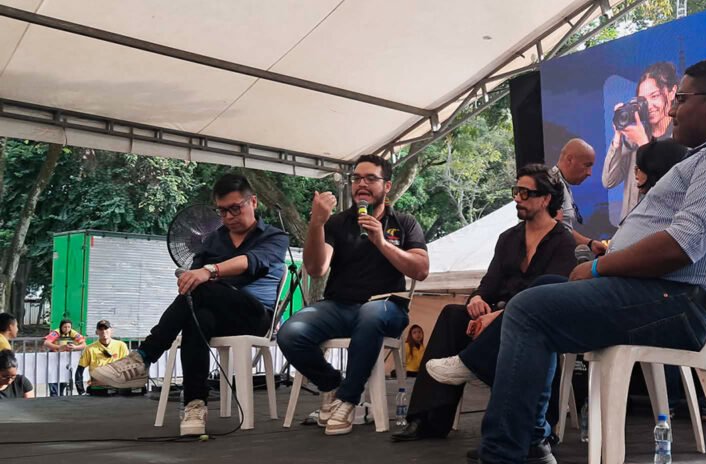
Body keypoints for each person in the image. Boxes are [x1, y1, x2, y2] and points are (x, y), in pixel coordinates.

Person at [416, 58, 706, 464]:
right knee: (545, 288)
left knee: (530, 310)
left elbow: (680, 247)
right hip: (664, 296)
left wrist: (601, 267)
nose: (671, 112)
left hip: (683, 305)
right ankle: (527, 443)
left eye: (681, 100)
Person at [390, 164, 576, 448]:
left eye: (525, 193)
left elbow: (551, 292)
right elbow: (489, 283)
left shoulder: (563, 241)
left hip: (533, 321)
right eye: (516, 191)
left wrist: (502, 314)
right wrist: (477, 300)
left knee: (526, 332)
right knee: (453, 315)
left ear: (546, 199)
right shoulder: (508, 238)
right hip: (495, 312)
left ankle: (530, 428)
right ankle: (426, 419)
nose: (517, 198)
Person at [90, 174, 288, 436]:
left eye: (235, 208)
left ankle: (143, 357)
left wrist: (209, 271)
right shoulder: (214, 240)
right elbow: (193, 284)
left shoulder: (275, 237)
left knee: (202, 286)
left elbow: (250, 261)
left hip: (255, 316)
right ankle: (195, 404)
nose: (228, 216)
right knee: (198, 315)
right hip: (216, 315)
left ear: (253, 202)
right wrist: (192, 278)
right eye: (222, 211)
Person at [277, 154, 429, 437]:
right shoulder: (337, 223)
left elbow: (420, 270)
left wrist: (382, 243)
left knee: (370, 313)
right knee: (290, 333)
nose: (361, 184)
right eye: (357, 178)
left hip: (387, 308)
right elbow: (316, 268)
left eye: (370, 178)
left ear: (387, 185)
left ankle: (348, 400)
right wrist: (316, 224)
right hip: (340, 306)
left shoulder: (405, 222)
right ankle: (333, 385)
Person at [602, 61, 679, 222]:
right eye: (644, 100)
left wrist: (643, 142)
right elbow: (609, 181)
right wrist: (618, 137)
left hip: (660, 230)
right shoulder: (635, 136)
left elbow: (670, 189)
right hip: (630, 227)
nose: (649, 106)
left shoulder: (681, 138)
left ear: (672, 92)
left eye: (655, 96)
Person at [550, 139, 606, 256]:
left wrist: (590, 244)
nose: (589, 173)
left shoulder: (559, 183)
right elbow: (550, 231)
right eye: (587, 165)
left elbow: (563, 229)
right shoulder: (550, 186)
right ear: (570, 159)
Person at [75, 320, 130, 395]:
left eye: (106, 328)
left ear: (111, 330)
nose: (103, 331)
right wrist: (81, 392)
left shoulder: (121, 345)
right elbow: (79, 371)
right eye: (100, 329)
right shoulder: (90, 349)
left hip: (117, 389)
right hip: (97, 390)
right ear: (97, 332)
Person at [43, 319, 87, 396]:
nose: (67, 329)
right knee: (53, 381)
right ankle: (54, 398)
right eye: (65, 327)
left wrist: (75, 347)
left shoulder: (73, 332)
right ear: (61, 327)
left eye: (69, 327)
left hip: (65, 361)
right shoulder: (56, 332)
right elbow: (46, 342)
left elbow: (83, 344)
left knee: (63, 381)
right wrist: (59, 347)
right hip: (54, 360)